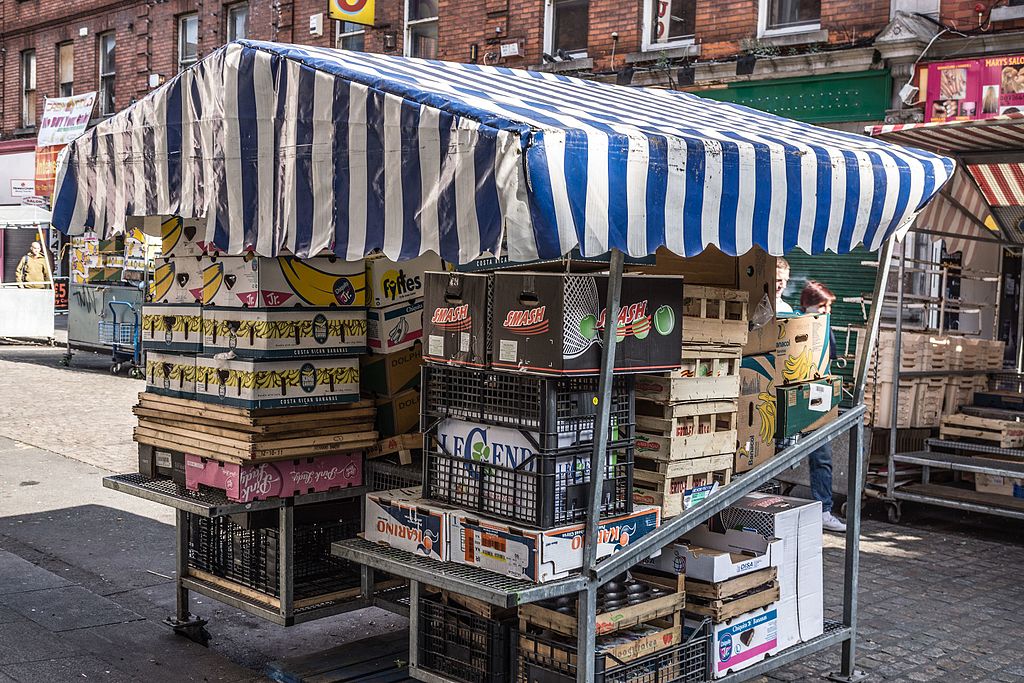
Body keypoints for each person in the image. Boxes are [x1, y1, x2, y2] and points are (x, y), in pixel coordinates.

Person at [800, 280, 845, 533]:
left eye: (828, 306)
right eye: (821, 305)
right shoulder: (796, 323)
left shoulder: (825, 327)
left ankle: (823, 510)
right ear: (807, 304)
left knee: (822, 457)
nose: (827, 311)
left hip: (819, 400)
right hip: (799, 400)